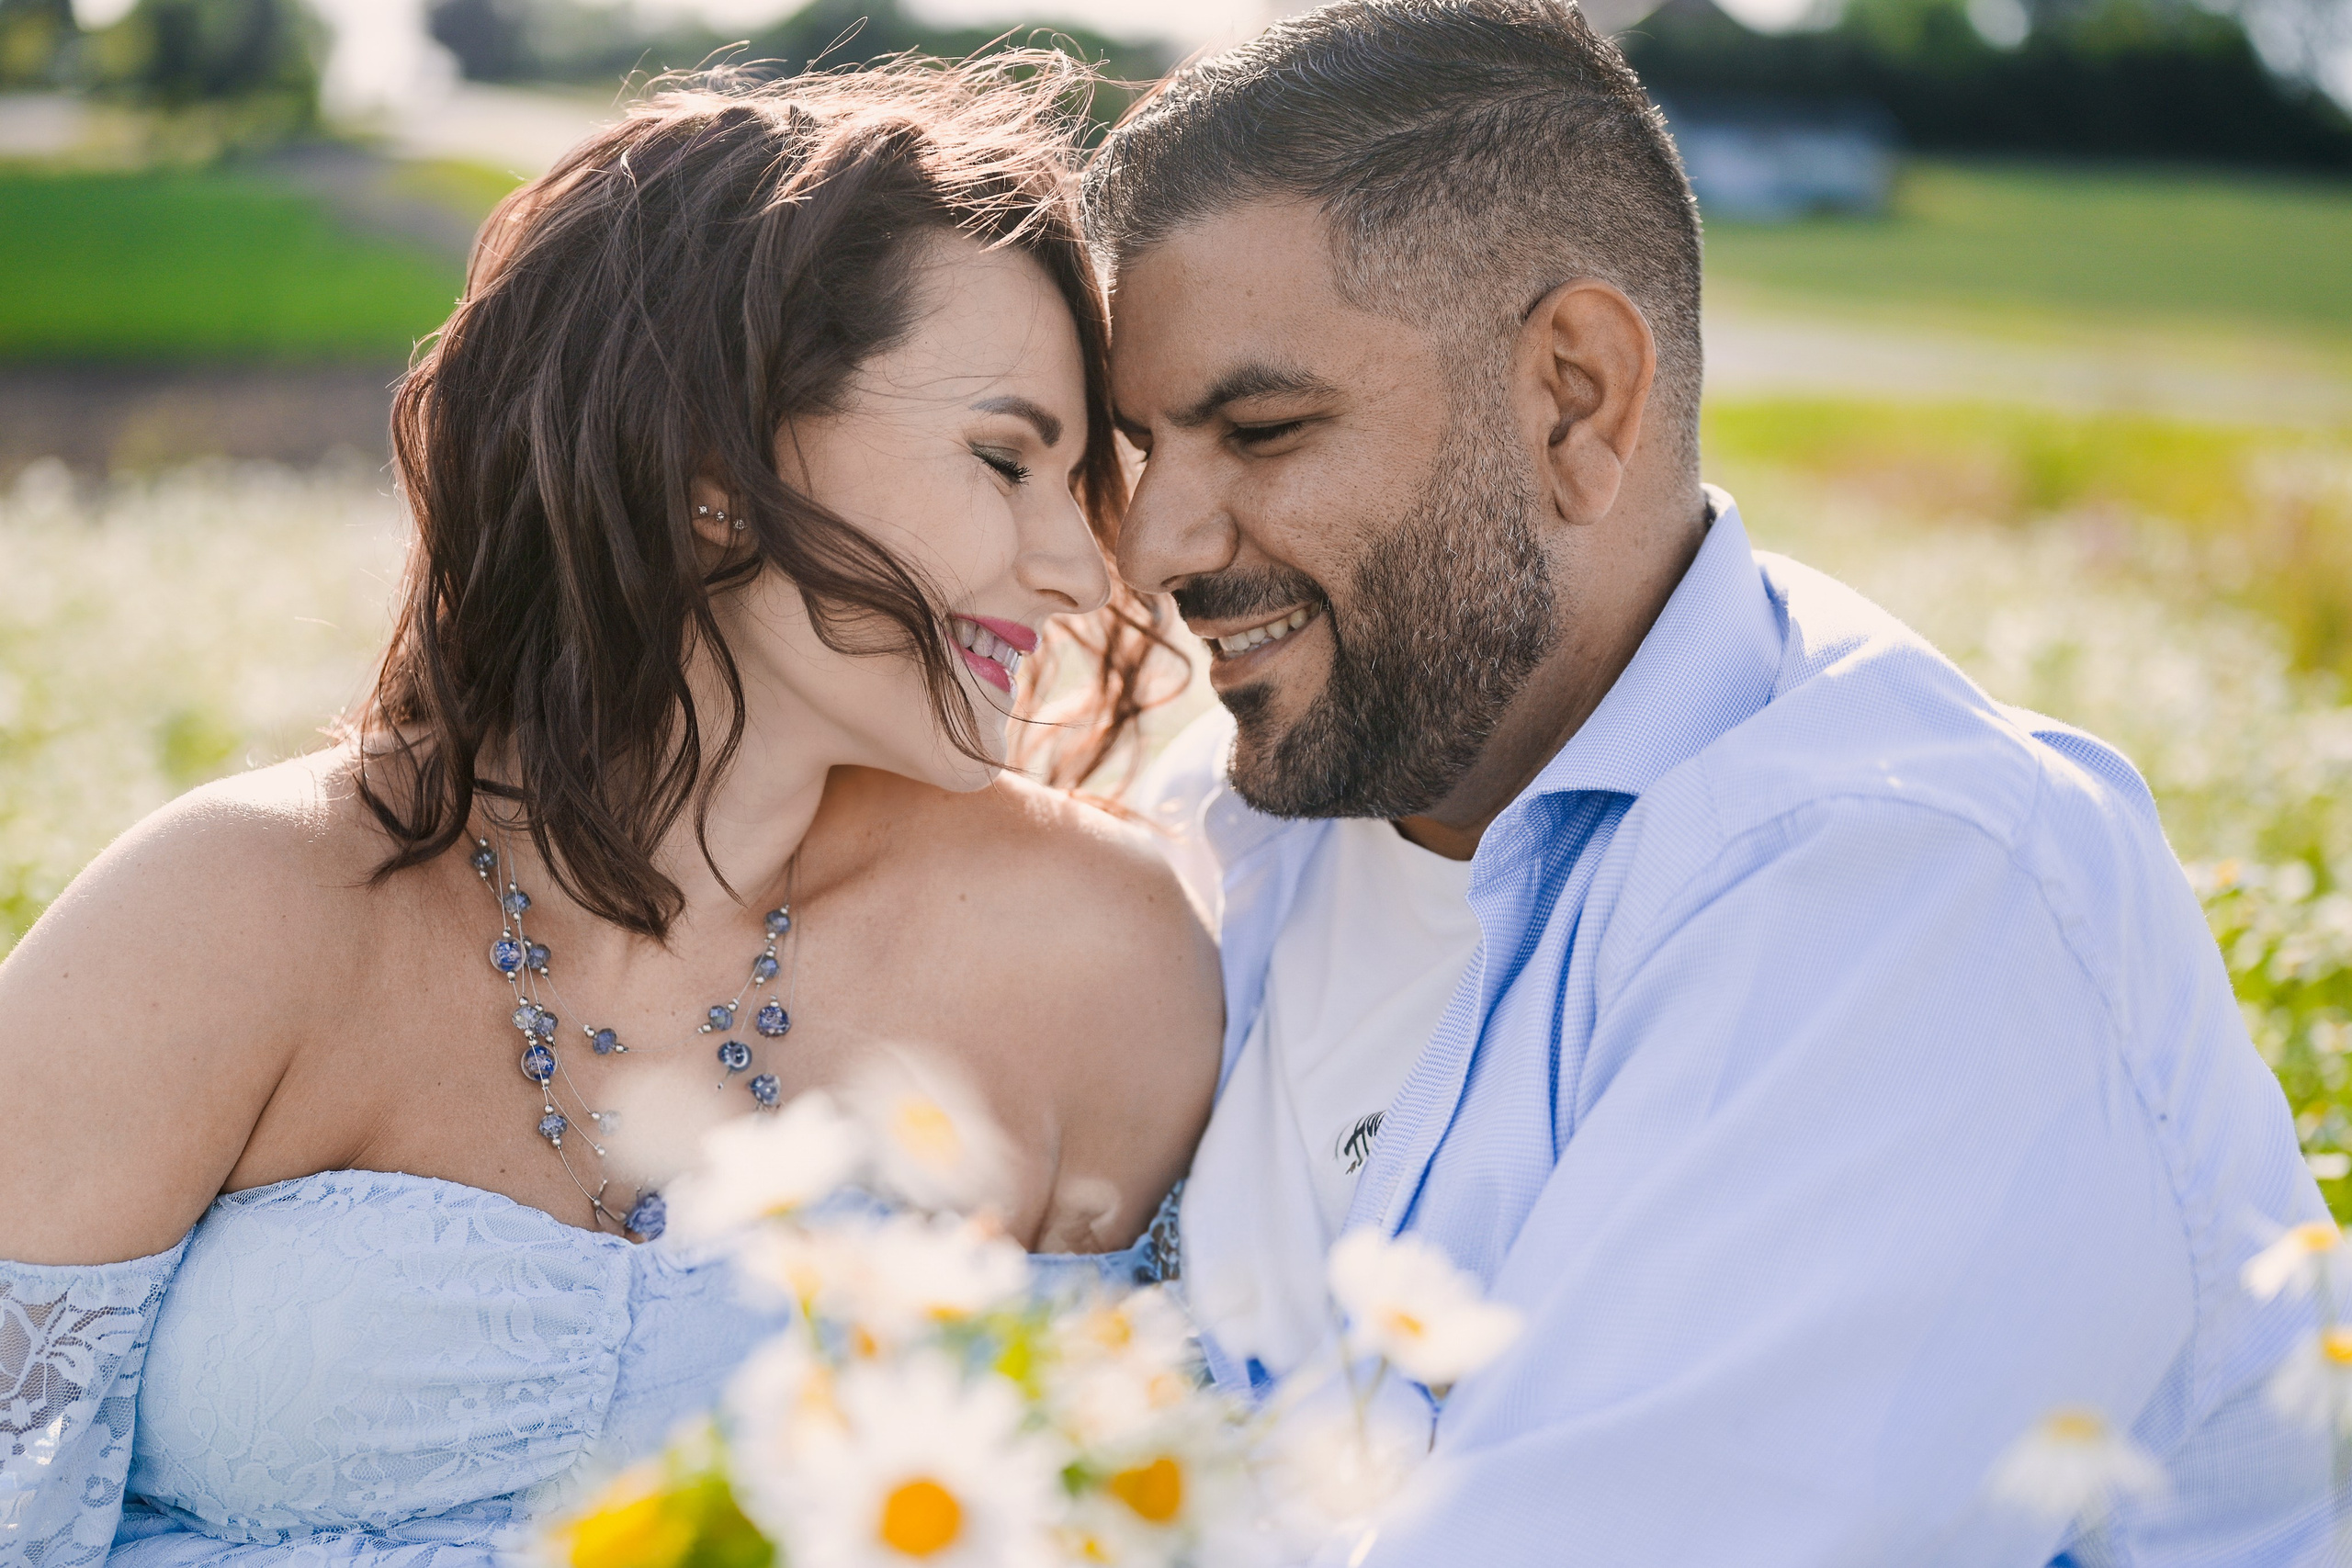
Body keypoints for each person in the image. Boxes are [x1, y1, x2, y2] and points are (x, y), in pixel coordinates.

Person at [1091, 1, 2332, 1561]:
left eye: (1261, 429)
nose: (1154, 546)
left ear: (1578, 399)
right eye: (1143, 447)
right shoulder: (1213, 822)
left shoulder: (1913, 896)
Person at [0, 59, 1218, 1567]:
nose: (1081, 571)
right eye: (1003, 459)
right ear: (714, 467)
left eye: (1079, 479)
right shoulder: (225, 914)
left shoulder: (1099, 953)